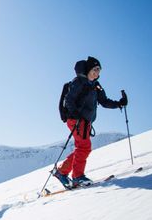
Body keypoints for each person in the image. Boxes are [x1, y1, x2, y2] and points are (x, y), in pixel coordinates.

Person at [53, 56, 128, 188]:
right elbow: (69, 99)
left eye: (99, 70)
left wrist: (119, 104)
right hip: (76, 120)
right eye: (95, 69)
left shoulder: (96, 86)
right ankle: (77, 177)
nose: (97, 72)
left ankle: (62, 172)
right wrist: (75, 114)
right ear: (88, 69)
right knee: (84, 147)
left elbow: (104, 101)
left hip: (85, 121)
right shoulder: (79, 82)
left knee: (82, 148)